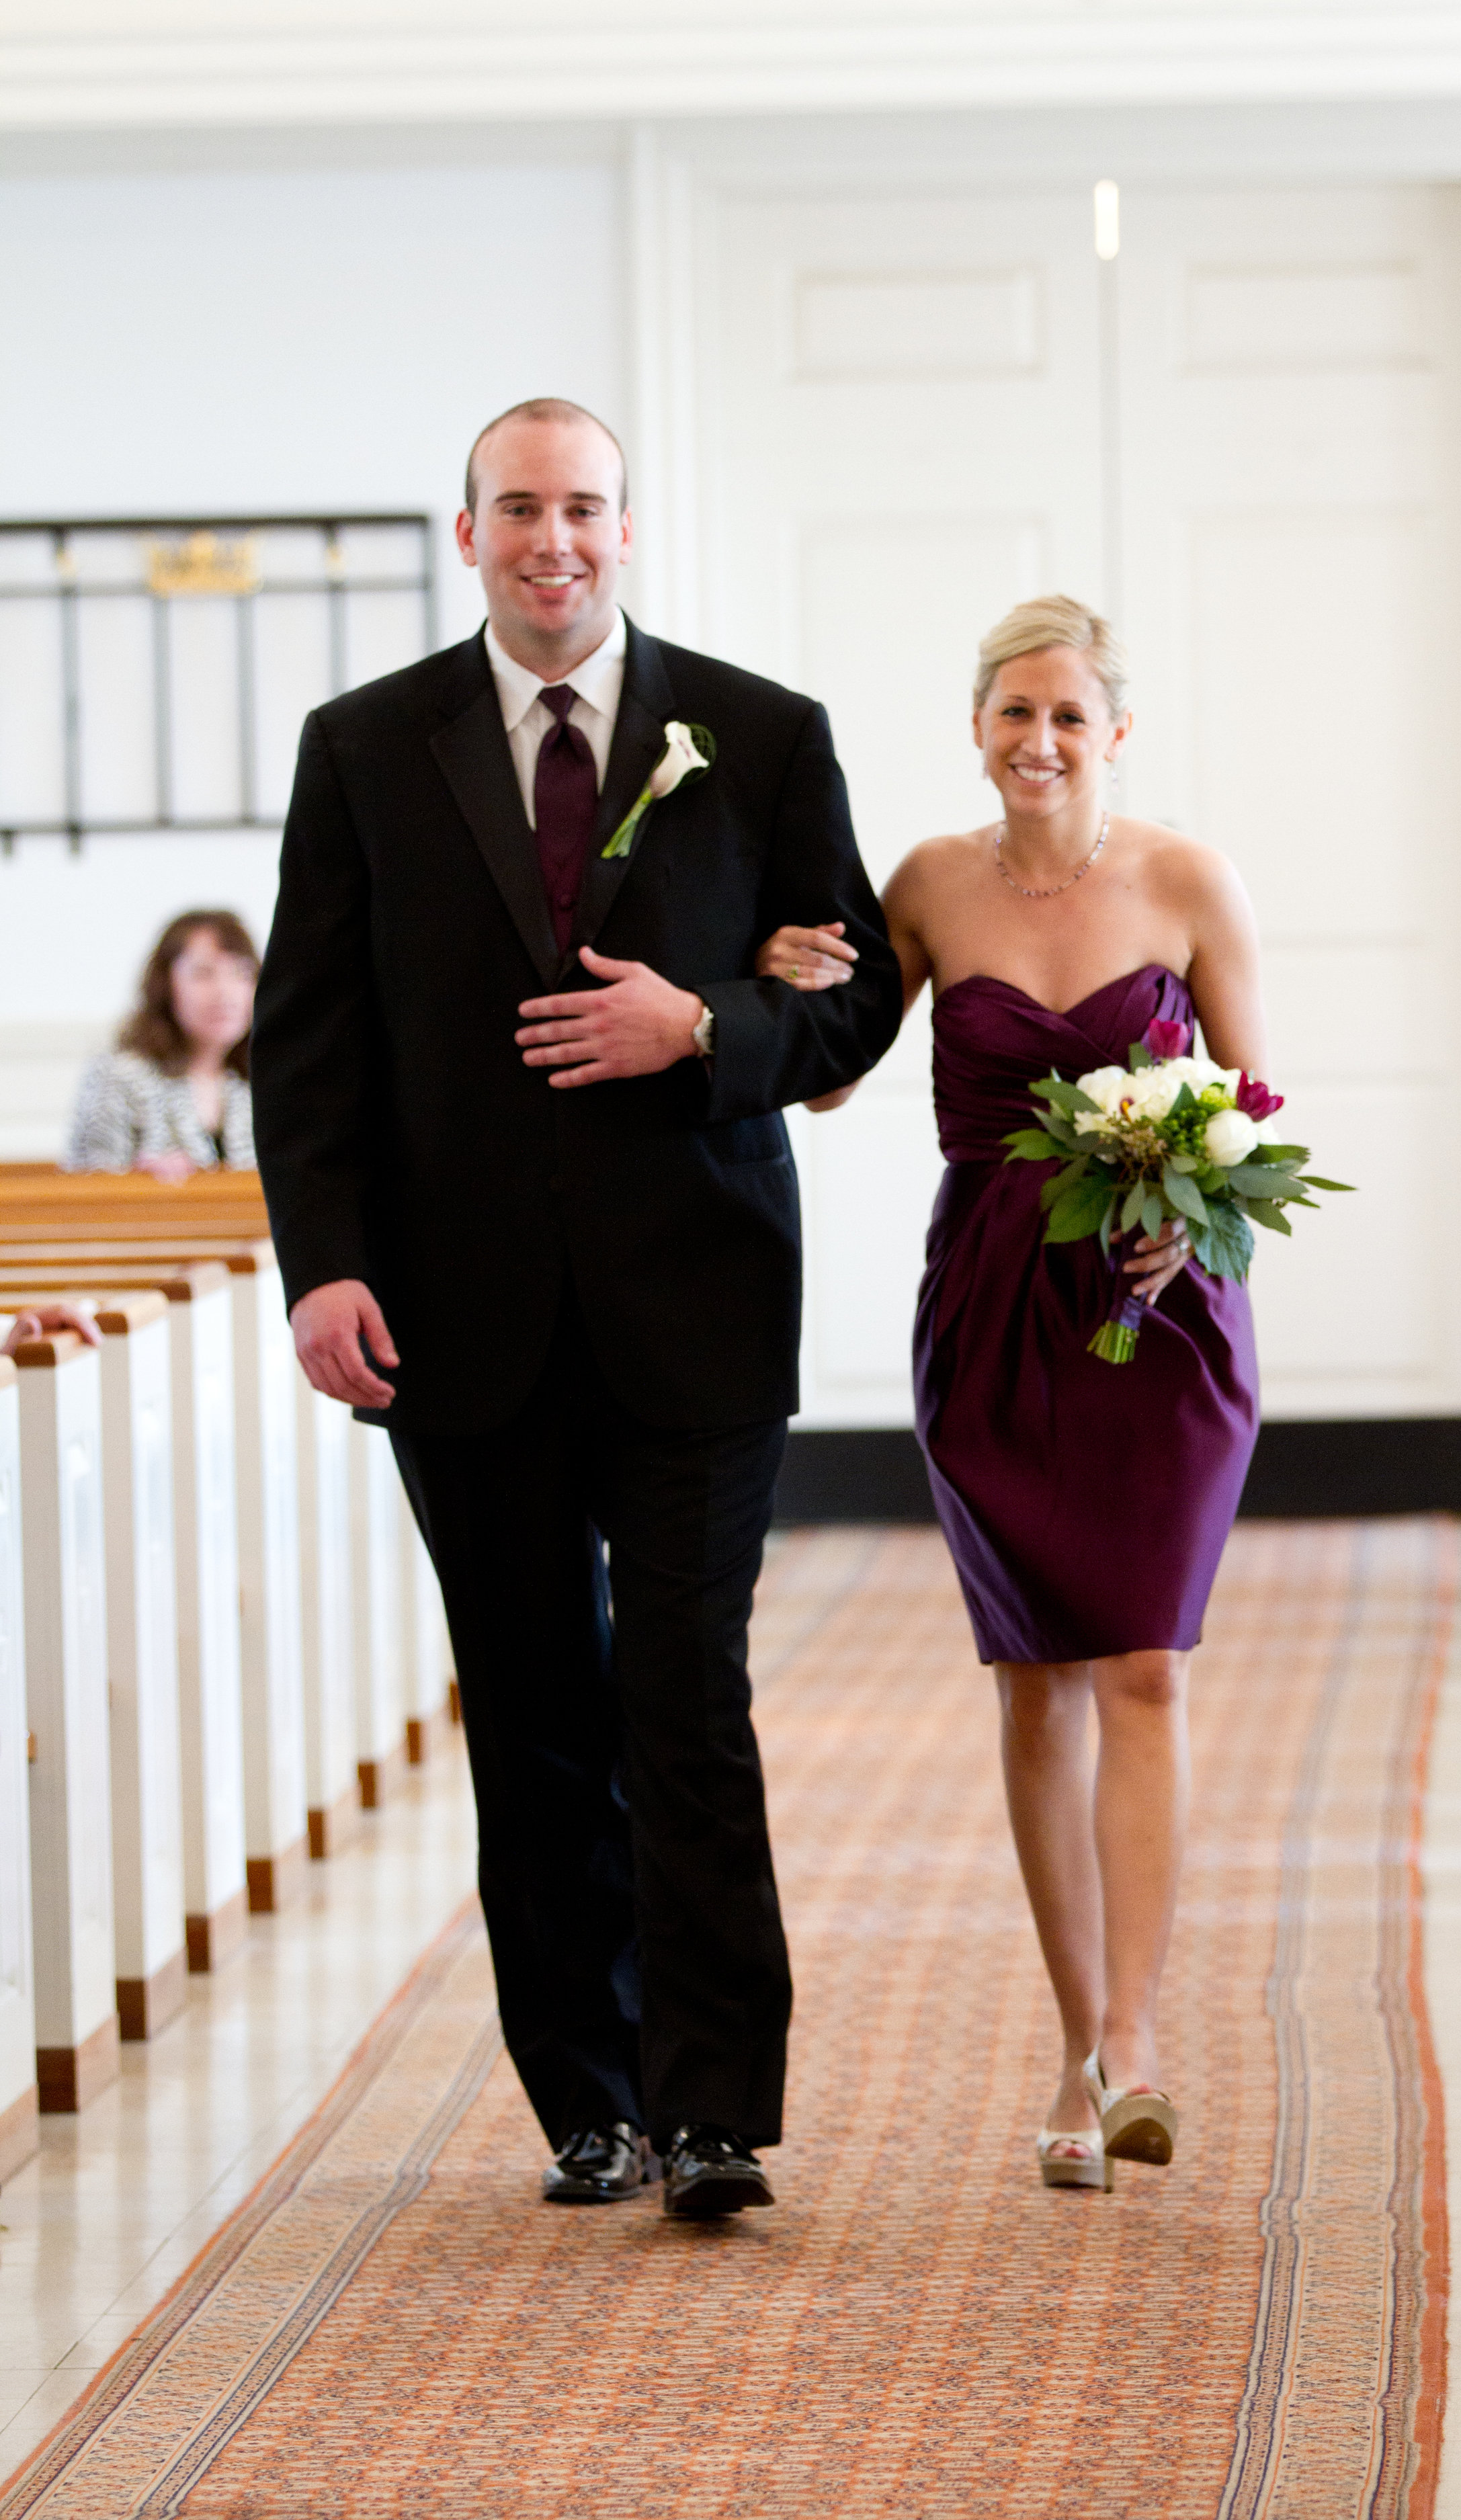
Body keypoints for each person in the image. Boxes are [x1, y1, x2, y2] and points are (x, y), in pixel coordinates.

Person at [251, 397, 900, 2220]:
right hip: (456, 1317)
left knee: (684, 1694)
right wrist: (326, 1260)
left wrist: (699, 1027)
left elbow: (852, 1004)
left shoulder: (760, 736)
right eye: (519, 507)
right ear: (467, 533)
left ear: (632, 529)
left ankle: (713, 2108)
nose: (556, 538)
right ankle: (586, 2099)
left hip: (694, 1292)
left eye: (586, 508)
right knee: (533, 1704)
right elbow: (308, 1044)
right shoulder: (365, 746)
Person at [756, 595, 1264, 2190]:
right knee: (1034, 1676)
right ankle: (1072, 2041)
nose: (1038, 741)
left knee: (1146, 1668)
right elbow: (831, 1069)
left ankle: (1138, 2038)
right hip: (988, 1306)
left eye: (1068, 715)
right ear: (976, 728)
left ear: (1117, 731)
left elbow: (1255, 1099)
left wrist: (1179, 1224)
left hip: (1158, 1310)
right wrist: (776, 968)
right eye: (1011, 714)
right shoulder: (924, 883)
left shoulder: (1185, 879)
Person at [66, 909, 260, 1180]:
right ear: (165, 984)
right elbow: (85, 1193)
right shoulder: (119, 1077)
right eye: (204, 973)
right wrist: (138, 1178)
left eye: (241, 973)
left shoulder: (260, 1084)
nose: (225, 991)